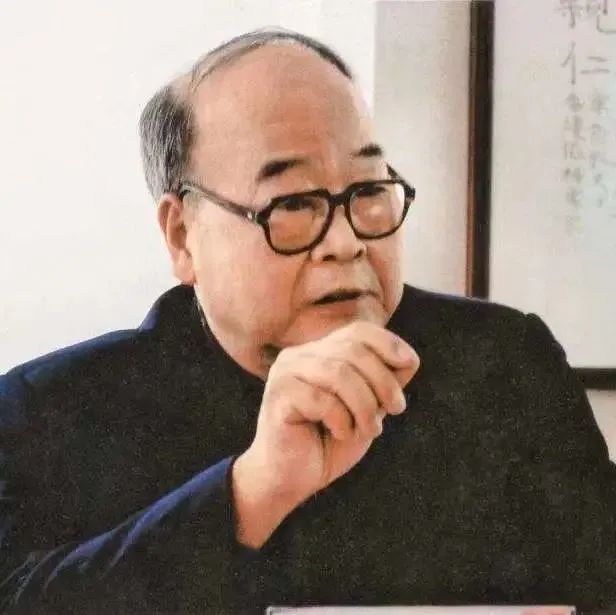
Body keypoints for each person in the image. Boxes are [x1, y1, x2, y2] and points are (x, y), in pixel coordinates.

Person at [1, 28, 615, 615]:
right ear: (183, 235)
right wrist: (250, 492)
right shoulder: (48, 411)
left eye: (368, 190)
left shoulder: (504, 364)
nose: (346, 243)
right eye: (293, 203)